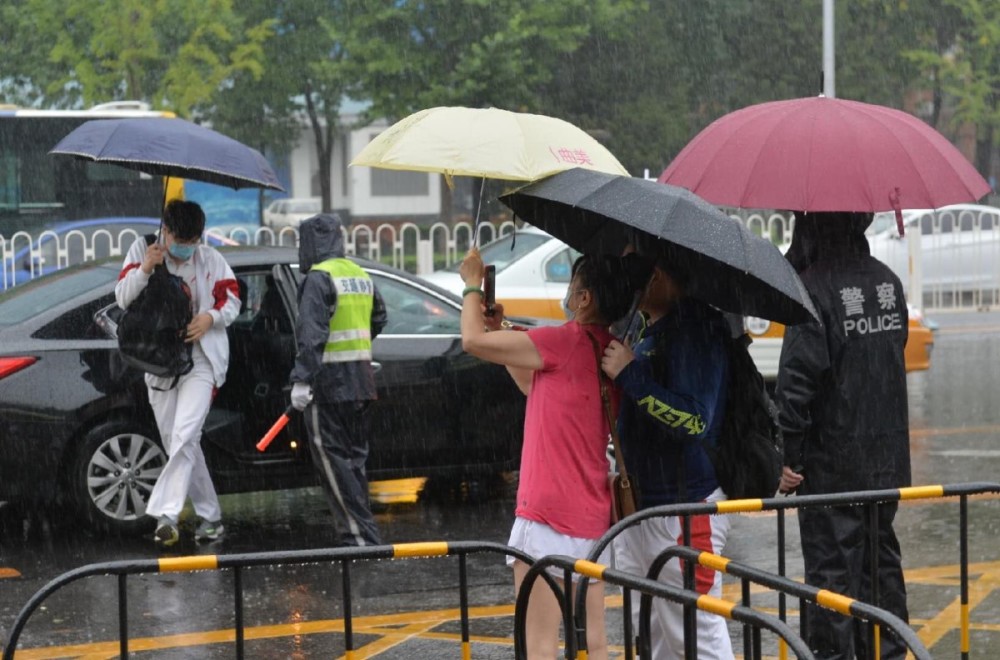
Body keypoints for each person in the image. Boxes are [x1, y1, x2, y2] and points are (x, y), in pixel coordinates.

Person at [459, 248, 638, 660]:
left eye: (573, 286)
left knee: (538, 645)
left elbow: (471, 340)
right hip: (592, 519)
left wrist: (471, 284)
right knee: (593, 643)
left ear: (584, 298)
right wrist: (499, 327)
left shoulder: (561, 341)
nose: (568, 294)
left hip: (546, 517)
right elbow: (532, 385)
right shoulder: (611, 354)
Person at [775, 211, 911, 660]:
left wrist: (790, 456)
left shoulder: (813, 290)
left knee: (832, 580)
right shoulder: (888, 283)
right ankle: (889, 653)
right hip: (885, 461)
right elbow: (890, 356)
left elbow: (796, 386)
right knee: (880, 568)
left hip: (831, 468)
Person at [599, 255, 735, 660]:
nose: (628, 281)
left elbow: (694, 421)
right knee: (653, 635)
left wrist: (631, 375)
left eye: (633, 268)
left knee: (696, 636)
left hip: (684, 510)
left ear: (657, 275)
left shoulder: (696, 327)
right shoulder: (645, 327)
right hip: (642, 508)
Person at [115, 200, 241, 546]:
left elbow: (232, 301)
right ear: (165, 231)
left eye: (193, 241)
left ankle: (165, 515)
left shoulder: (211, 259)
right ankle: (211, 518)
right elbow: (123, 298)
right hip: (159, 361)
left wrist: (210, 318)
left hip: (201, 360)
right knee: (179, 442)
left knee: (186, 434)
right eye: (180, 240)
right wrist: (145, 268)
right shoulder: (143, 250)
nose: (186, 248)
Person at [289, 213, 387, 547]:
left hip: (327, 386)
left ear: (310, 243)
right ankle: (364, 534)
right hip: (361, 382)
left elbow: (311, 334)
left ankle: (358, 538)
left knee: (333, 464)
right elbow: (380, 317)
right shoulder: (358, 274)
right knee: (354, 462)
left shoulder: (318, 279)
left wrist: (302, 379)